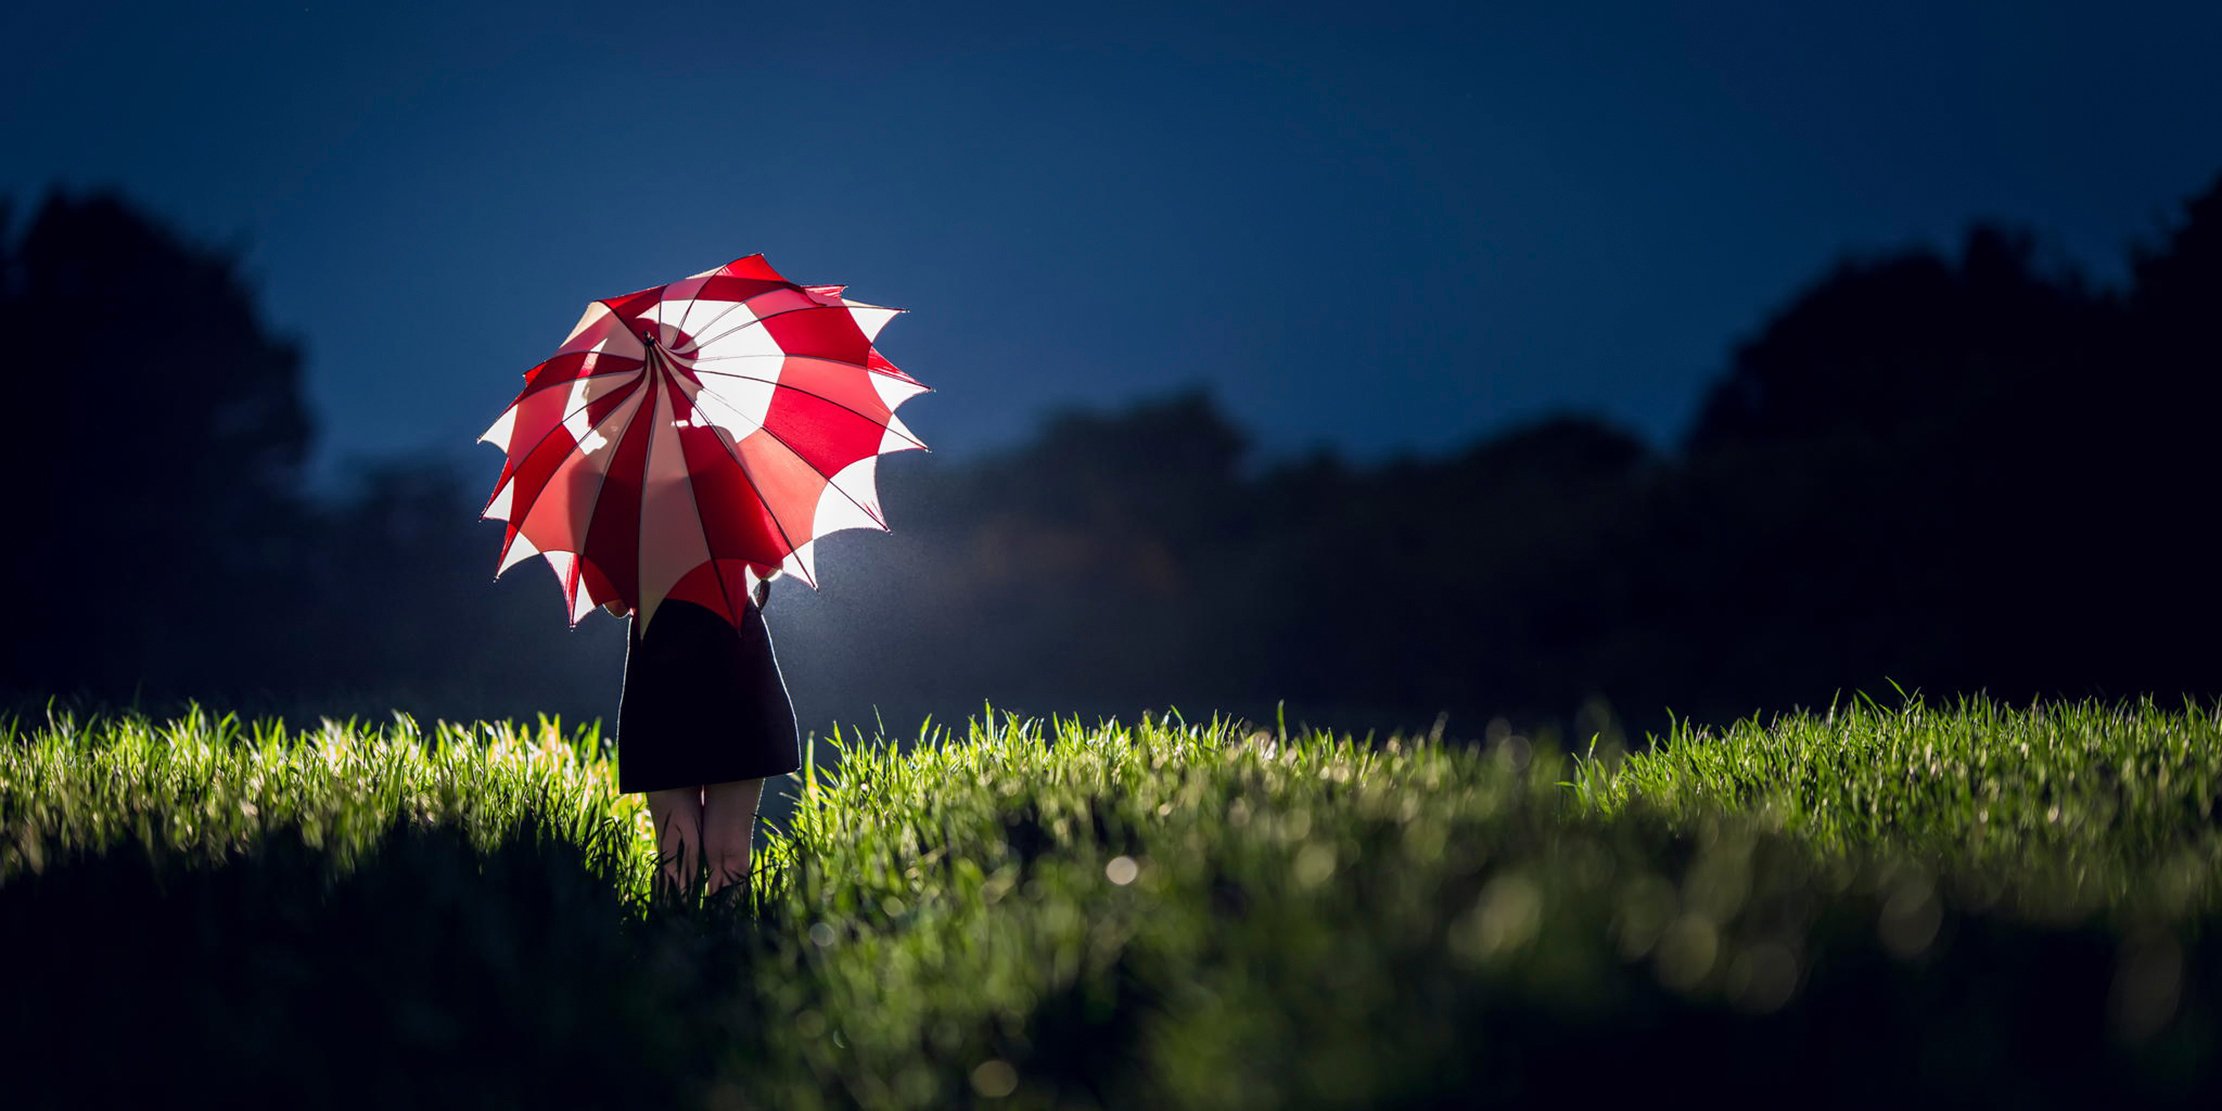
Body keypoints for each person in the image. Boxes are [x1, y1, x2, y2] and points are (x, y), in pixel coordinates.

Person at [604, 571, 800, 904]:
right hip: (735, 651)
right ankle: (732, 949)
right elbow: (769, 568)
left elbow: (617, 604)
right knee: (731, 856)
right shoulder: (737, 514)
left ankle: (672, 949)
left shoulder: (621, 521)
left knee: (677, 859)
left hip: (659, 663)